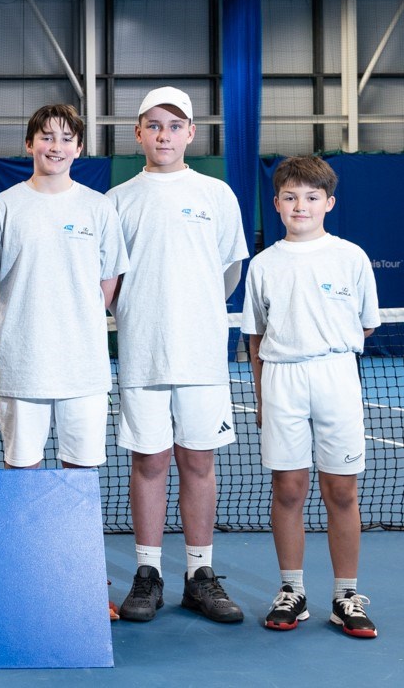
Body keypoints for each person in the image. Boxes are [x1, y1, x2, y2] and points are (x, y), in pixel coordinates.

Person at [108, 87, 249, 623]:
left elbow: (227, 272)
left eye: (175, 125)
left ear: (191, 133)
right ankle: (147, 573)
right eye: (154, 125)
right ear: (138, 133)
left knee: (198, 461)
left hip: (203, 358)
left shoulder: (217, 195)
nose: (164, 135)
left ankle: (199, 574)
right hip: (142, 355)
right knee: (148, 463)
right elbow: (112, 280)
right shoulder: (118, 200)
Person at [244, 156, 379, 639]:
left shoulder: (351, 257)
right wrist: (261, 395)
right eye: (290, 196)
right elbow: (256, 338)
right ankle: (292, 591)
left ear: (329, 203)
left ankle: (346, 595)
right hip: (282, 381)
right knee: (288, 488)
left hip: (336, 377)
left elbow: (363, 323)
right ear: (276, 203)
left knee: (341, 490)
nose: (301, 205)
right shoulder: (263, 264)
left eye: (312, 196)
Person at [0, 104, 127, 471]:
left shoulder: (100, 207)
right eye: (46, 137)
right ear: (29, 144)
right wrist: (23, 317)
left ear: (78, 147)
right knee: (22, 473)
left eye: (66, 138)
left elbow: (108, 283)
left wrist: (78, 317)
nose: (56, 146)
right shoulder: (2, 207)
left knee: (81, 474)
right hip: (22, 367)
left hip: (84, 369)